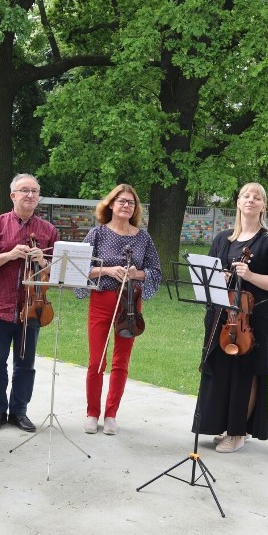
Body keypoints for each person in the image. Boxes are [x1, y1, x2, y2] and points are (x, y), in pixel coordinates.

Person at [194, 182, 268, 453]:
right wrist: (220, 277)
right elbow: (209, 276)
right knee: (222, 371)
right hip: (223, 317)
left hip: (253, 319)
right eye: (246, 196)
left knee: (245, 374)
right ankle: (223, 426)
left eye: (257, 197)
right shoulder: (223, 239)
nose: (250, 200)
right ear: (237, 202)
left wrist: (250, 276)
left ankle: (238, 432)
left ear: (263, 206)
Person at [77, 184, 161, 435]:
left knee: (121, 359)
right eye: (121, 201)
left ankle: (111, 413)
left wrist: (138, 273)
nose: (126, 205)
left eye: (131, 203)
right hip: (102, 299)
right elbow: (81, 267)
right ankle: (93, 413)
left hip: (130, 303)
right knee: (97, 359)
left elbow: (155, 270)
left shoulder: (143, 237)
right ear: (111, 204)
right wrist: (107, 270)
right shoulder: (97, 234)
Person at [0, 174, 59, 433]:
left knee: (25, 364)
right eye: (24, 190)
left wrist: (43, 261)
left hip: (33, 307)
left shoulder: (49, 231)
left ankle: (19, 411)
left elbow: (57, 272)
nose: (30, 195)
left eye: (34, 191)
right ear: (12, 195)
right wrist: (10, 254)